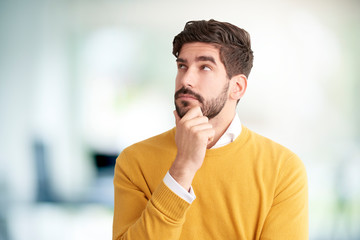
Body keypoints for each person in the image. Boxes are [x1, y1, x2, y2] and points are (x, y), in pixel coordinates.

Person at [112, 19, 308, 240]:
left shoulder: (284, 169)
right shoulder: (133, 161)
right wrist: (182, 168)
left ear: (237, 87)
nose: (186, 79)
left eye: (205, 67)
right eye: (182, 66)